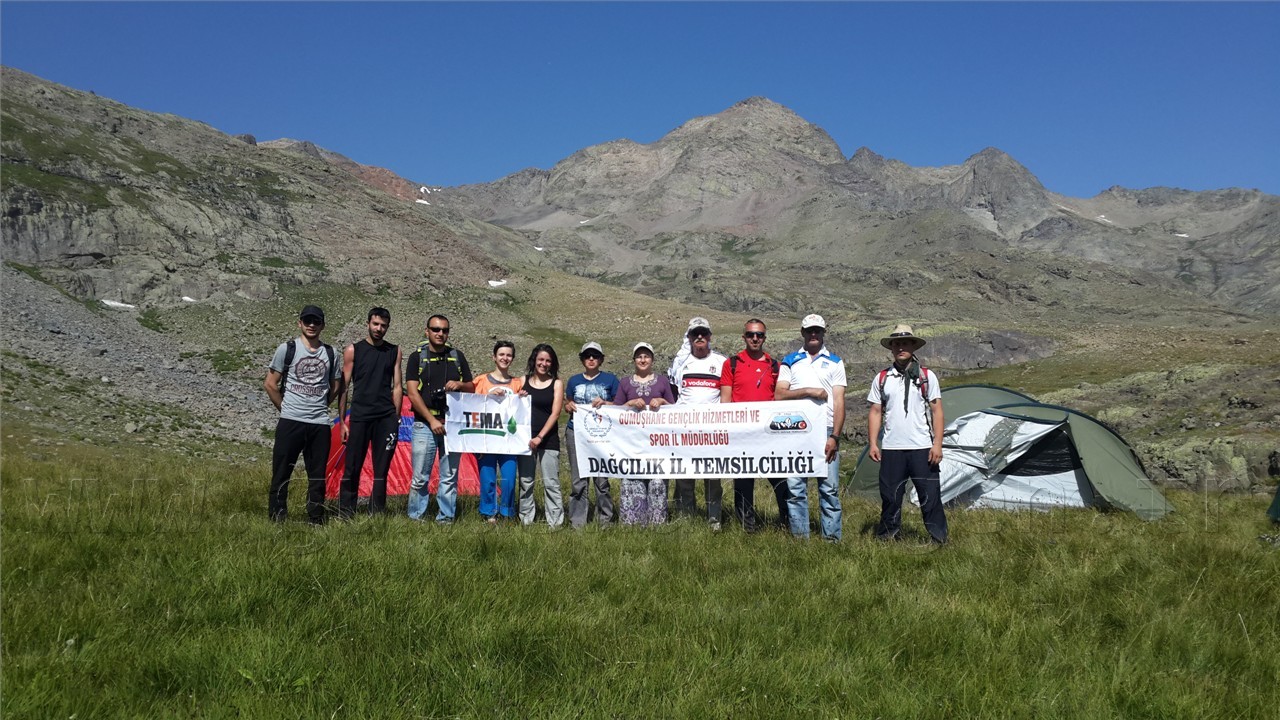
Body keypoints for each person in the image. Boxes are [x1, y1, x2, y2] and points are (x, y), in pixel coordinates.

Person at [867, 324, 947, 544]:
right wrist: (873, 443)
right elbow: (875, 411)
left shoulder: (927, 376)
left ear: (913, 346)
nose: (900, 347)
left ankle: (939, 538)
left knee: (930, 496)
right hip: (892, 447)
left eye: (905, 343)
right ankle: (887, 538)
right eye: (896, 344)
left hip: (922, 447)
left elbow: (937, 411)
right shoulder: (882, 378)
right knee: (890, 497)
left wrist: (937, 444)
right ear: (891, 348)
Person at [263, 305, 344, 524]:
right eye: (307, 321)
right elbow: (270, 383)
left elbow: (336, 385)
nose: (311, 325)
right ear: (299, 323)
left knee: (317, 475)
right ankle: (277, 516)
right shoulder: (287, 349)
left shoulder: (331, 353)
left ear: (323, 326)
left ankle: (316, 518)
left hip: (319, 423)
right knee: (281, 472)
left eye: (316, 321)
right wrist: (286, 408)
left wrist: (321, 405)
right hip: (290, 421)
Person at [775, 314, 846, 541]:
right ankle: (800, 540)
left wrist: (835, 436)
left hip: (825, 430)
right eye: (809, 331)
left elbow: (839, 401)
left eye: (817, 330)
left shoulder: (835, 362)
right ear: (802, 333)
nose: (813, 334)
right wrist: (809, 391)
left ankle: (832, 540)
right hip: (796, 431)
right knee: (796, 488)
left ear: (823, 333)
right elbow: (779, 394)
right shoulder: (790, 360)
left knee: (829, 488)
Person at [720, 318, 787, 532]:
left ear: (765, 338)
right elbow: (725, 401)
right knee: (743, 482)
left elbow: (780, 399)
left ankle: (786, 523)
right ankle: (747, 528)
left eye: (759, 335)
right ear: (744, 337)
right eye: (751, 334)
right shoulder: (731, 363)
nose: (755, 338)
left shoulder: (775, 366)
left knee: (780, 480)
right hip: (741, 434)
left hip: (769, 434)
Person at [404, 314, 473, 523]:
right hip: (425, 424)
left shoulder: (457, 356)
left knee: (449, 477)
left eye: (444, 330)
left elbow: (471, 387)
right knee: (420, 477)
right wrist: (431, 420)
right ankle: (416, 517)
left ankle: (446, 518)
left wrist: (460, 384)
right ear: (427, 331)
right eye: (435, 329)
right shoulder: (416, 358)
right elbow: (412, 393)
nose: (440, 333)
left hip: (452, 425)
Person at [337, 307, 403, 519]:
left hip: (385, 417)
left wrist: (396, 418)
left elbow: (397, 386)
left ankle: (377, 514)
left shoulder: (394, 351)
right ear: (368, 324)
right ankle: (346, 513)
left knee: (381, 469)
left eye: (383, 325)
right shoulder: (353, 350)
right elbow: (344, 387)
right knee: (352, 466)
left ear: (388, 327)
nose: (379, 328)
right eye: (375, 324)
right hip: (360, 416)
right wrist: (342, 421)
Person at [670, 317, 729, 529]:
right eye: (695, 333)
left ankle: (714, 521)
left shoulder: (721, 362)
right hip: (685, 431)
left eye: (704, 333)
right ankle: (687, 520)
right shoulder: (680, 363)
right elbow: (674, 393)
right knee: (684, 477)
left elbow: (726, 395)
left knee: (713, 479)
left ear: (710, 336)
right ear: (689, 337)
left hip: (712, 432)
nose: (700, 337)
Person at [615, 342, 676, 527]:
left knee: (657, 481)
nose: (643, 360)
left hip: (657, 444)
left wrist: (662, 401)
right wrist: (630, 403)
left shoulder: (662, 381)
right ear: (634, 360)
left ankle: (657, 523)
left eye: (646, 356)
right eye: (639, 356)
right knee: (633, 478)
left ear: (652, 359)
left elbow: (674, 410)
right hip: (632, 444)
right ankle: (633, 523)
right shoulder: (625, 382)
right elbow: (615, 412)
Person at [565, 341, 620, 529]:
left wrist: (606, 403)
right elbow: (568, 403)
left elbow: (620, 405)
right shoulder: (573, 381)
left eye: (595, 356)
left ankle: (605, 521)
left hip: (602, 435)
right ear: (582, 359)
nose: (591, 359)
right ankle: (577, 523)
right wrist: (568, 406)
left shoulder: (611, 380)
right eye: (587, 355)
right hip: (576, 433)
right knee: (578, 480)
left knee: (601, 480)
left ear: (601, 359)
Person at [473, 341, 524, 524]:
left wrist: (522, 398)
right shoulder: (480, 381)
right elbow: (472, 406)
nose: (505, 358)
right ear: (494, 357)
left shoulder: (517, 383)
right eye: (501, 354)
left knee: (509, 478)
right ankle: (488, 512)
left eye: (509, 355)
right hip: (486, 439)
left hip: (509, 441)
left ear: (513, 358)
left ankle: (507, 513)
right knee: (488, 478)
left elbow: (522, 412)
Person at [518, 344, 566, 528]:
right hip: (525, 439)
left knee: (551, 482)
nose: (544, 364)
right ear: (534, 360)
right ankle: (526, 519)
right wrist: (518, 396)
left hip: (548, 439)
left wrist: (540, 437)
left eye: (548, 361)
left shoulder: (557, 383)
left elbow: (555, 413)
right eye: (541, 359)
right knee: (526, 481)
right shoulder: (523, 380)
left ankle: (555, 522)